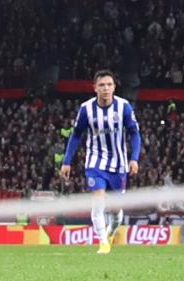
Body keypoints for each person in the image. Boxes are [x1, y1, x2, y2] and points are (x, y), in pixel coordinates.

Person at [59, 70, 139, 255]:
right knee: (98, 201)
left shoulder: (124, 107)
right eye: (102, 85)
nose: (106, 88)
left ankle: (110, 233)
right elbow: (76, 134)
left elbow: (134, 133)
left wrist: (134, 158)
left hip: (119, 165)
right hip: (95, 162)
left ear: (114, 87)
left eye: (109, 85)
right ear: (95, 88)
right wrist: (66, 161)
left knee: (115, 210)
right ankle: (103, 243)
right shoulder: (86, 109)